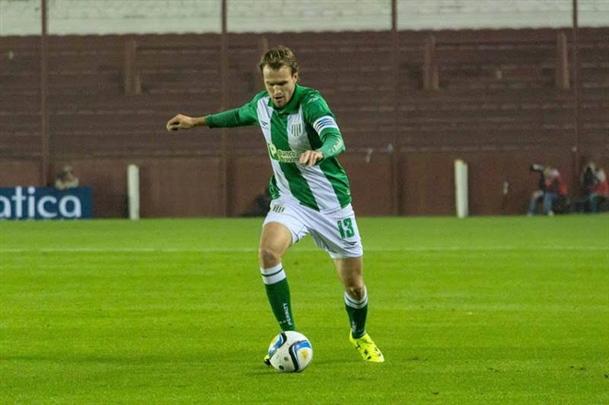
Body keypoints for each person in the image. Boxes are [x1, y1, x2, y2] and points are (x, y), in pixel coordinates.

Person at [166, 46, 384, 364]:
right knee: (268, 253)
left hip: (332, 205)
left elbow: (337, 139)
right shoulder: (262, 105)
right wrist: (194, 122)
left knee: (354, 285)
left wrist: (322, 151)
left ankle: (358, 334)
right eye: (270, 84)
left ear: (295, 77)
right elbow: (237, 116)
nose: (276, 90)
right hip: (289, 201)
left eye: (282, 83)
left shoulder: (311, 103)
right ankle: (289, 335)